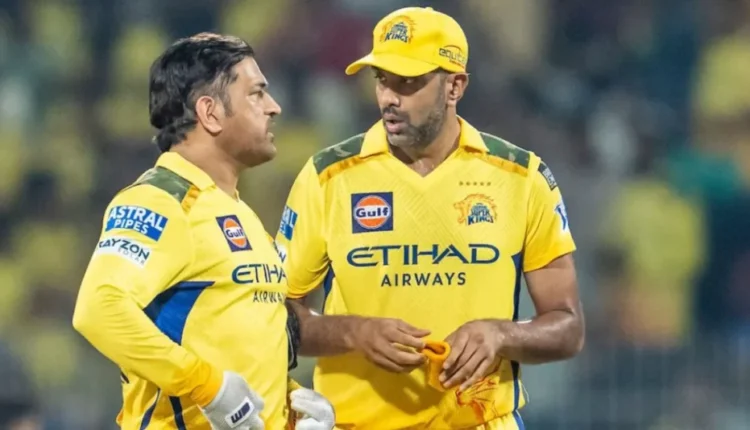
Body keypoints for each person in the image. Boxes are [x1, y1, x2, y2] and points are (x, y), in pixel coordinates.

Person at [276, 7, 585, 430]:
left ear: (455, 86)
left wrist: (500, 334)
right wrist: (353, 332)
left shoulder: (521, 177)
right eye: (382, 79)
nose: (389, 98)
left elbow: (567, 327)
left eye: (408, 83)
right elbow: (274, 315)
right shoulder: (328, 177)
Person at [72, 32, 334, 430]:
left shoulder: (240, 214)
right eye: (256, 94)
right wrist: (205, 386)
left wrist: (290, 410)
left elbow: (237, 351)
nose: (274, 107)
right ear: (210, 113)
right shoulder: (161, 200)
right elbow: (98, 309)